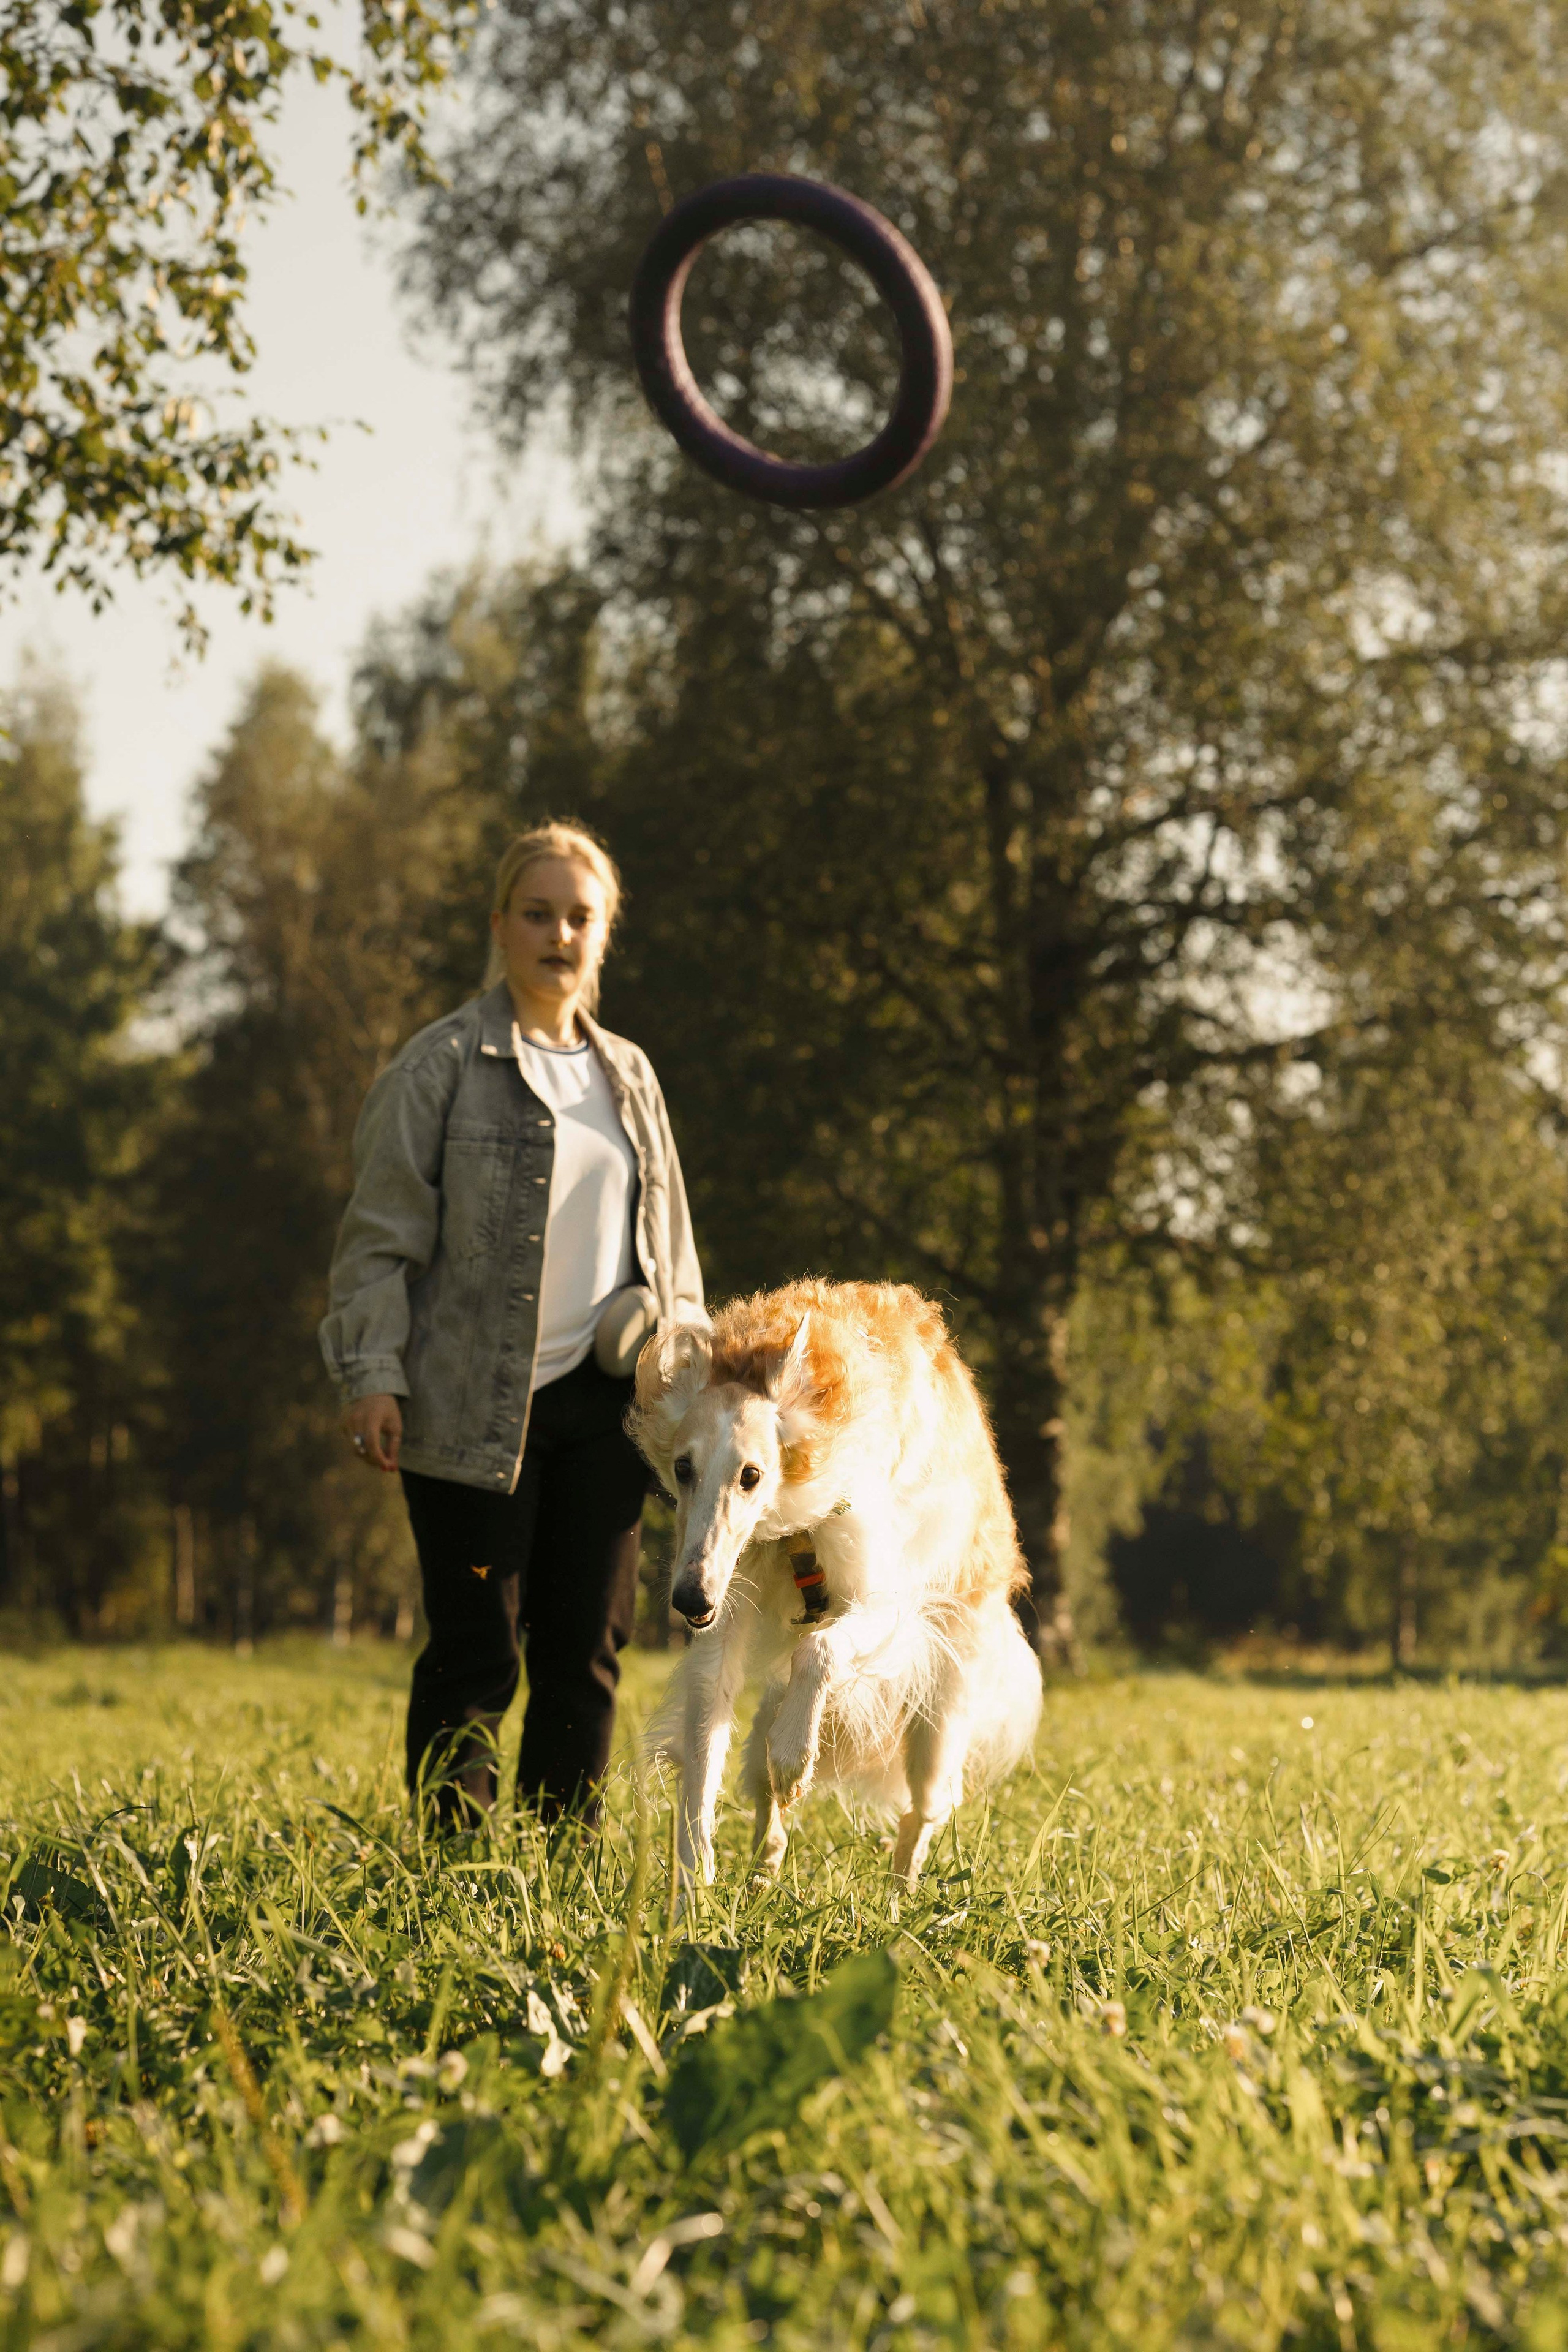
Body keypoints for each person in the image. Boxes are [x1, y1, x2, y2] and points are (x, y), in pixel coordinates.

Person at [319, 821, 704, 1825]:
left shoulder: (631, 1077)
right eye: (538, 914)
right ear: (500, 925)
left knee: (586, 1649)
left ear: (604, 934)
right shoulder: (437, 1067)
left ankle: (558, 1870)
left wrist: (691, 1377)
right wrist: (372, 1371)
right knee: (474, 1651)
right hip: (467, 1414)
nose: (559, 935)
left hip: (607, 1414)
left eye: (581, 917)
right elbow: (378, 1240)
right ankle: (453, 1874)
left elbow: (673, 1250)